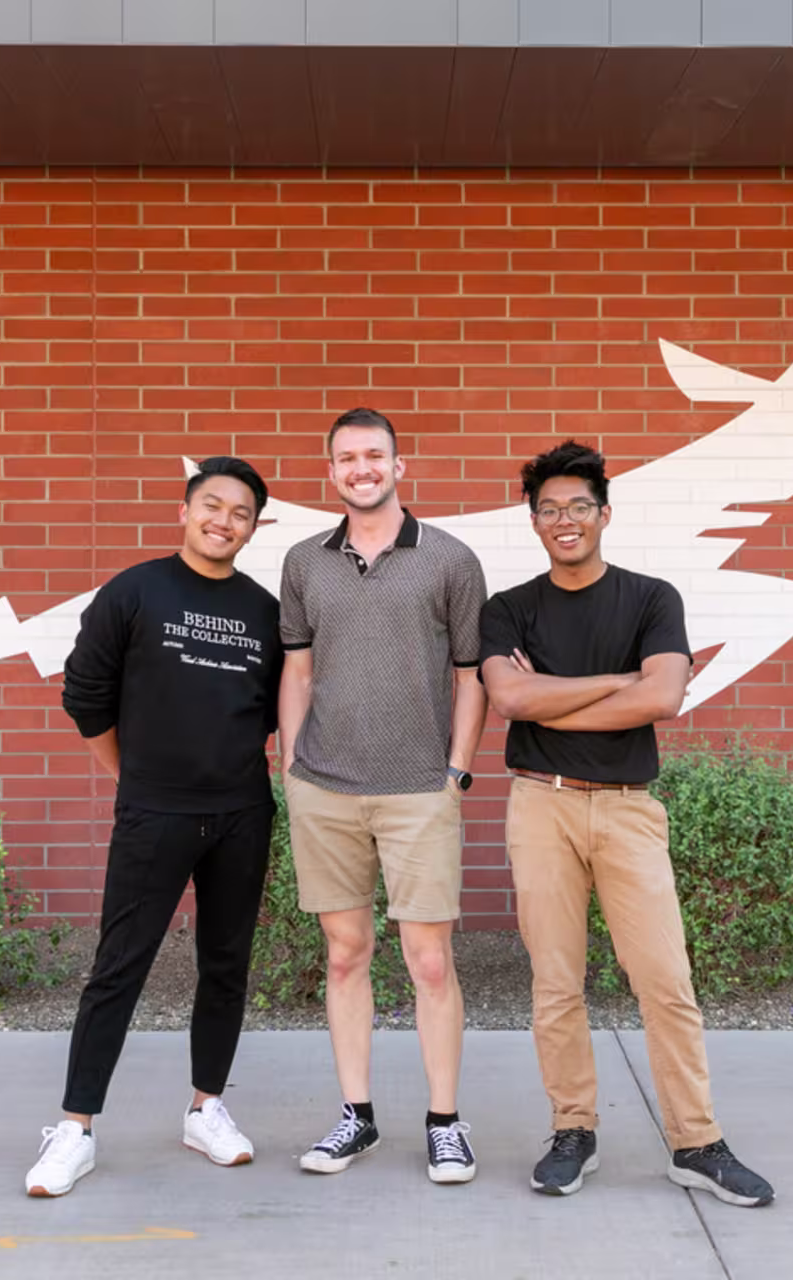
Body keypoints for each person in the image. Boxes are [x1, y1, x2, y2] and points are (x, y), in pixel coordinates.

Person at [478, 441, 775, 1208]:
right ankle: (572, 1130)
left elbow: (664, 697)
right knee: (555, 982)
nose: (565, 520)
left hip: (627, 808)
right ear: (534, 520)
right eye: (550, 509)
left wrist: (560, 691)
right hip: (539, 802)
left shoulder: (651, 598)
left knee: (665, 981)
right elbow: (509, 701)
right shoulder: (506, 608)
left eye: (580, 506)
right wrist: (618, 679)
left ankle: (696, 1141)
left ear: (604, 514)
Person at [24, 456, 283, 1197]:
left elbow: (267, 714)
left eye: (239, 512)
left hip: (242, 812)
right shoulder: (135, 590)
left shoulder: (264, 611)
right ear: (185, 510)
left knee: (225, 964)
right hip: (154, 812)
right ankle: (74, 1128)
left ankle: (207, 1109)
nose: (222, 520)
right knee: (119, 968)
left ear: (254, 527)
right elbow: (85, 696)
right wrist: (131, 778)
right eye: (211, 505)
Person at [277, 407, 489, 1184]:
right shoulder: (304, 562)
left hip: (418, 793)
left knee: (429, 962)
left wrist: (457, 769)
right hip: (325, 789)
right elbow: (296, 669)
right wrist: (291, 763)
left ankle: (443, 1122)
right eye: (346, 459)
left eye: (374, 456)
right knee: (345, 953)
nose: (360, 469)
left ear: (400, 466)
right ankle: (356, 1118)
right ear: (329, 472)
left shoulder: (450, 560)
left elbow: (471, 675)